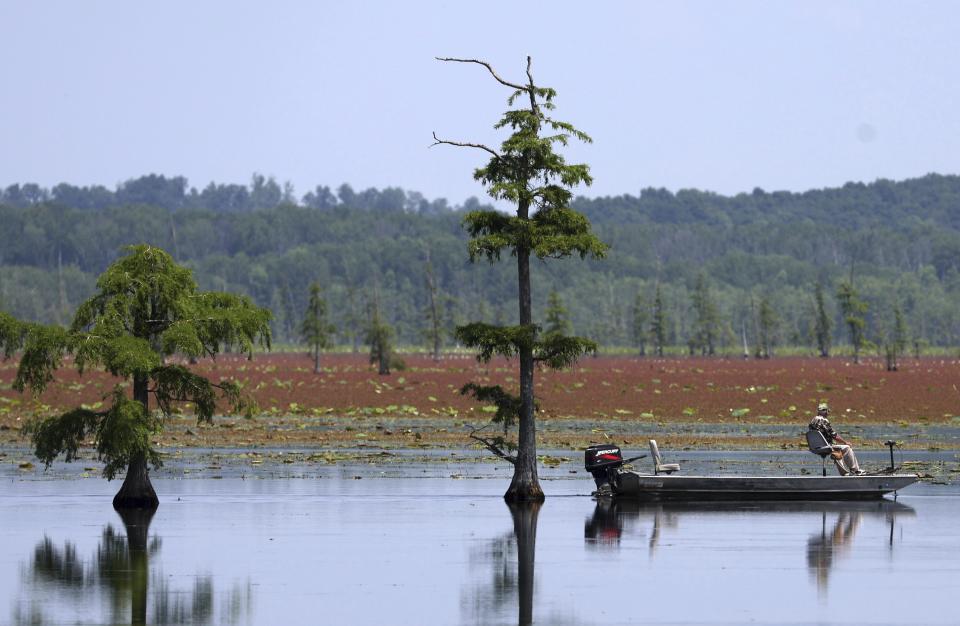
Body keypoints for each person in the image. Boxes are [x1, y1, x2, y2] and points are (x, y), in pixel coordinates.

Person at [809, 403, 864, 475]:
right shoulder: (824, 420)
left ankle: (845, 473)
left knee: (836, 449)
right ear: (825, 411)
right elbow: (834, 435)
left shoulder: (812, 421)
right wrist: (845, 442)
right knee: (846, 448)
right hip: (824, 446)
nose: (828, 413)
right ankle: (855, 470)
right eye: (827, 411)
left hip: (814, 447)